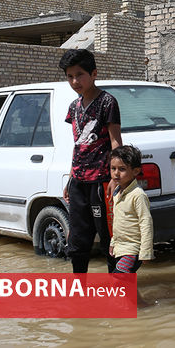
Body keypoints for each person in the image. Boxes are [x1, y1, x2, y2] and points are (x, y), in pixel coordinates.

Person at [59, 48, 122, 273]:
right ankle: (80, 296)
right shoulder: (73, 107)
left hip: (101, 183)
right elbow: (78, 145)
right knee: (77, 241)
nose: (75, 81)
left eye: (79, 75)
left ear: (93, 74)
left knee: (109, 240)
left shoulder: (107, 102)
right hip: (78, 183)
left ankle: (121, 295)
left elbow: (116, 142)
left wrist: (116, 178)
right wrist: (70, 177)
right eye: (69, 76)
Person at [108, 145, 154, 273]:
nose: (116, 173)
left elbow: (146, 223)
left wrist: (146, 251)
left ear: (135, 171)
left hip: (133, 250)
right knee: (127, 284)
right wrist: (113, 243)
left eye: (122, 169)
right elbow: (117, 221)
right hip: (120, 249)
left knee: (117, 280)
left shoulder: (138, 195)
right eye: (113, 168)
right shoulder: (117, 192)